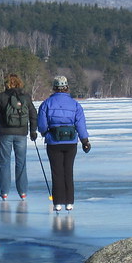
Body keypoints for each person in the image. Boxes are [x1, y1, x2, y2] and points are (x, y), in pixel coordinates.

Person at [37, 75, 91, 212]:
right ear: (66, 87)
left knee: (57, 172)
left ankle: (58, 203)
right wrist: (85, 141)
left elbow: (42, 125)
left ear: (54, 87)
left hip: (53, 142)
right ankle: (69, 202)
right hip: (71, 142)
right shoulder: (75, 105)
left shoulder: (46, 104)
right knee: (68, 171)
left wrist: (46, 134)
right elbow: (80, 124)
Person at [0, 74, 38, 200]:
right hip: (21, 134)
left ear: (7, 84)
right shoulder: (25, 97)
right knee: (21, 163)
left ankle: (4, 192)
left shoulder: (1, 96)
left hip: (5, 133)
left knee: (5, 163)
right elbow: (33, 115)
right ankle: (23, 192)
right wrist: (33, 131)